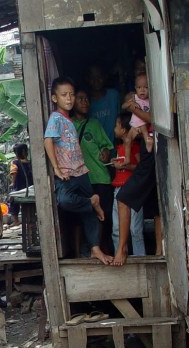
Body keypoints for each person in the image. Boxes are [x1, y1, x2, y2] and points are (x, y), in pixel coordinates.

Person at [44, 77, 112, 265]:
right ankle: (92, 201)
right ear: (54, 98)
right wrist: (56, 168)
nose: (69, 98)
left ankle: (95, 249)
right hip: (66, 173)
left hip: (81, 171)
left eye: (72, 94)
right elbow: (48, 140)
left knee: (89, 216)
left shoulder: (70, 120)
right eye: (64, 95)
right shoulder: (56, 118)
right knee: (65, 201)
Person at [72, 88, 114, 255]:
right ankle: (79, 254)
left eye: (87, 99)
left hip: (100, 178)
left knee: (103, 217)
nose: (85, 102)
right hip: (81, 179)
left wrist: (105, 152)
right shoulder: (68, 125)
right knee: (80, 218)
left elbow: (106, 146)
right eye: (81, 98)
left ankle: (102, 250)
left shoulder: (95, 124)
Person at [115, 130, 156, 266]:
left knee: (123, 200)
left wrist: (130, 107)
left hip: (151, 155)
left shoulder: (142, 116)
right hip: (154, 151)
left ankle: (122, 249)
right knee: (157, 209)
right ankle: (159, 251)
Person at [111, 110, 145, 263]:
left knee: (135, 229)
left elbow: (139, 167)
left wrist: (125, 166)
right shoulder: (119, 148)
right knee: (117, 228)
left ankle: (140, 258)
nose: (114, 129)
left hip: (133, 191)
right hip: (118, 190)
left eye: (116, 126)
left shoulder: (136, 146)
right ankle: (120, 252)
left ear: (124, 129)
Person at [121, 73, 151, 173]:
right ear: (135, 88)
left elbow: (150, 118)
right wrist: (130, 103)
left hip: (143, 125)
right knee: (128, 139)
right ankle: (127, 158)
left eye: (145, 87)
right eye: (139, 87)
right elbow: (123, 107)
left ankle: (148, 143)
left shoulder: (151, 100)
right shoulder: (134, 98)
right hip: (134, 126)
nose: (142, 90)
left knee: (144, 131)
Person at [86, 65, 120, 142]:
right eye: (92, 78)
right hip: (95, 150)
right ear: (87, 79)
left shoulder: (113, 95)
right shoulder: (85, 102)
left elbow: (120, 120)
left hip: (115, 147)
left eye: (99, 77)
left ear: (104, 77)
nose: (96, 81)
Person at [8, 143, 32, 227]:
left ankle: (16, 221)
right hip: (30, 188)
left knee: (12, 201)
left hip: (19, 188)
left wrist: (12, 183)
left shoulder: (15, 162)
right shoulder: (30, 163)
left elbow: (14, 173)